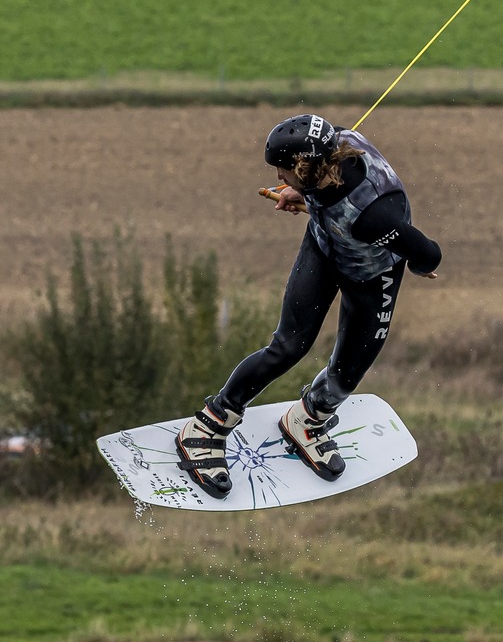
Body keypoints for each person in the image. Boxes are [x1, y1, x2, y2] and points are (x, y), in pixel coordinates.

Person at [175, 114, 442, 499]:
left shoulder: (373, 217)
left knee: (349, 369)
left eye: (283, 171)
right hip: (324, 247)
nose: (278, 177)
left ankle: (308, 419)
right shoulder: (331, 150)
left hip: (371, 274)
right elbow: (327, 189)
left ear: (304, 167)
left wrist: (419, 266)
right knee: (288, 346)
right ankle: (207, 427)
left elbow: (428, 252)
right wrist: (304, 194)